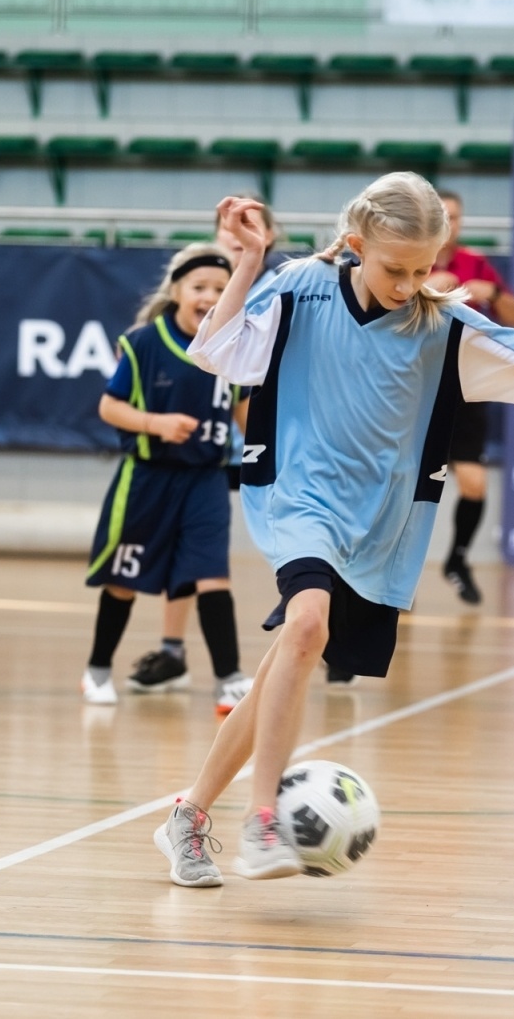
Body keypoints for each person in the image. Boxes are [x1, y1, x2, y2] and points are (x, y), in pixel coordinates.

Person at [152, 176, 514, 887]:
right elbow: (217, 353)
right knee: (307, 627)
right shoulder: (302, 286)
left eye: (423, 268)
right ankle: (264, 819)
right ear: (357, 245)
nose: (409, 283)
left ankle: (189, 814)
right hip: (297, 497)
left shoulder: (442, 326)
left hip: (378, 522)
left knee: (285, 662)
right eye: (396, 269)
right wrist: (248, 262)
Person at [128, 196, 293, 693]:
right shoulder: (202, 285)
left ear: (267, 235)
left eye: (250, 222)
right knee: (191, 547)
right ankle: (175, 649)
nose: (237, 230)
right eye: (230, 223)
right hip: (209, 442)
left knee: (293, 535)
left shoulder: (283, 285)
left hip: (274, 424)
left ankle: (319, 631)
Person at [82, 243, 254, 717]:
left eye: (220, 289)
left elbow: (246, 416)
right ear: (176, 290)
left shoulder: (231, 348)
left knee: (212, 575)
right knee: (123, 578)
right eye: (199, 287)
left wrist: (273, 455)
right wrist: (156, 424)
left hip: (205, 479)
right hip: (148, 478)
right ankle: (97, 669)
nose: (209, 295)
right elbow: (108, 406)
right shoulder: (144, 343)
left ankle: (229, 678)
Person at [427, 188, 514, 605]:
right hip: (419, 388)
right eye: (443, 216)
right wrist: (427, 287)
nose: (451, 224)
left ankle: (458, 559)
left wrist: (496, 295)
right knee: (410, 487)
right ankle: (395, 573)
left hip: (466, 387)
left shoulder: (475, 263)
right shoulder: (411, 260)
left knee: (474, 482)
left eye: (457, 217)